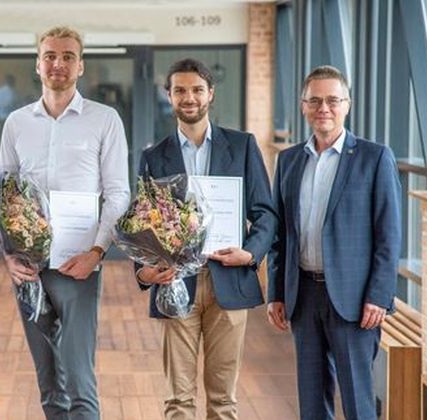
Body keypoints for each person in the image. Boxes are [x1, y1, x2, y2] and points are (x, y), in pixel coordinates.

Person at [0, 26, 130, 419]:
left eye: (68, 56)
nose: (59, 63)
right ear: (37, 65)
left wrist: (97, 252)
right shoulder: (16, 123)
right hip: (28, 269)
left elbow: (118, 193)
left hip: (79, 268)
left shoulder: (104, 119)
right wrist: (8, 256)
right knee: (49, 384)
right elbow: (4, 196)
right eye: (50, 56)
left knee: (79, 382)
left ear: (81, 66)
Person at [136, 58, 277, 420]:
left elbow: (265, 213)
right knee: (178, 400)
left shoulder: (242, 146)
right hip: (175, 283)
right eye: (180, 90)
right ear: (169, 96)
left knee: (223, 400)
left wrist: (250, 254)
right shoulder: (153, 157)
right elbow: (140, 224)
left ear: (210, 94)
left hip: (229, 280)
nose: (189, 98)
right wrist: (144, 271)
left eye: (197, 90)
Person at [266, 65, 401, 420]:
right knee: (312, 403)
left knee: (358, 403)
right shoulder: (288, 160)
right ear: (303, 106)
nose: (323, 108)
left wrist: (379, 296)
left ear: (347, 105)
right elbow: (281, 234)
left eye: (332, 100)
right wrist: (276, 292)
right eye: (314, 100)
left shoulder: (375, 158)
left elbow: (389, 235)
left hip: (355, 300)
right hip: (304, 295)